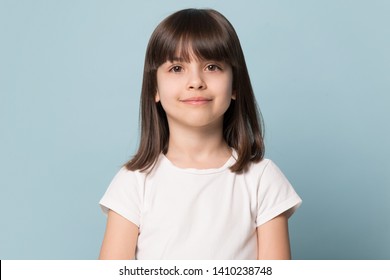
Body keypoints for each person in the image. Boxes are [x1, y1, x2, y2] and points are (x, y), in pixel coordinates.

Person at [99, 8, 302, 260]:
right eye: (176, 68)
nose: (195, 81)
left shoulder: (262, 179)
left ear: (235, 85)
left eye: (212, 66)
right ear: (155, 88)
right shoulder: (134, 182)